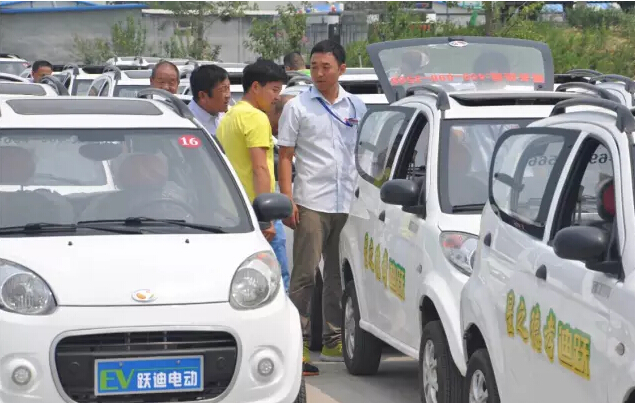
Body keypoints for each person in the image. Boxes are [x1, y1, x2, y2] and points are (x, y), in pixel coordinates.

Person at [277, 40, 367, 374]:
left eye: (325, 67)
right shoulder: (298, 107)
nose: (318, 72)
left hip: (349, 202)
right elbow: (285, 156)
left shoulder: (358, 107)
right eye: (314, 66)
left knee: (338, 276)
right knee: (304, 276)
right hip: (311, 201)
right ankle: (297, 343)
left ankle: (334, 340)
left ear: (342, 69)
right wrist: (287, 200)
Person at [216, 59, 291, 292]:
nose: (277, 97)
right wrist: (266, 217)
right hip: (259, 214)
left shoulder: (228, 117)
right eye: (274, 90)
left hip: (234, 213)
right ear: (256, 87)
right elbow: (260, 168)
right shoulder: (256, 118)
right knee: (276, 281)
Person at [188, 65, 231, 136]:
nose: (228, 95)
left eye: (228, 88)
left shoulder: (231, 116)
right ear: (202, 96)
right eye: (223, 90)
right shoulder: (187, 123)